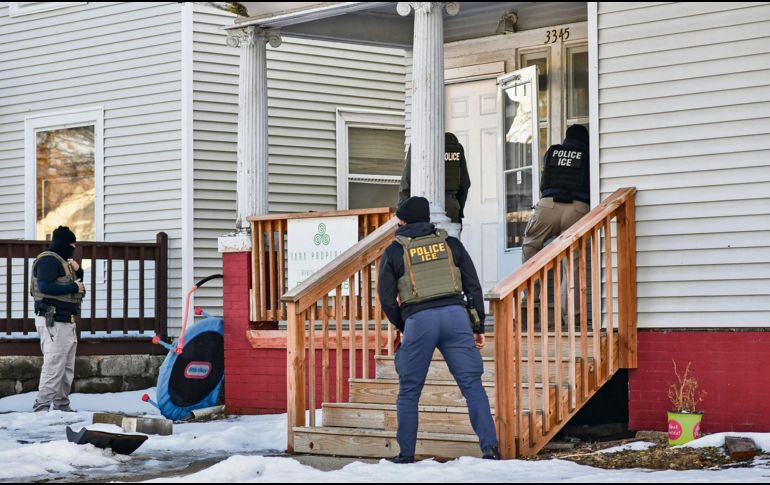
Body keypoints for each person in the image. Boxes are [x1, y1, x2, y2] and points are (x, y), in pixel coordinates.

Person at [377, 196, 500, 463]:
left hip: (419, 321)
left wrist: (402, 324)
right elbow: (473, 285)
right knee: (472, 386)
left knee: (409, 391)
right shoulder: (450, 243)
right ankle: (490, 449)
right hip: (456, 318)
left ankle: (406, 455)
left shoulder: (395, 251)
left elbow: (386, 298)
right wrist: (477, 324)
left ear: (403, 221)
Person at [31, 226, 85, 412]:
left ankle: (62, 406)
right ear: (63, 244)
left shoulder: (63, 262)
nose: (73, 249)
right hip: (53, 320)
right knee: (54, 365)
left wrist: (79, 273)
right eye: (71, 245)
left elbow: (77, 287)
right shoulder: (48, 260)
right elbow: (45, 287)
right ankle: (41, 407)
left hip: (67, 321)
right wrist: (73, 288)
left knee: (66, 367)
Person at [522, 124, 590, 262]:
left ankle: (533, 283)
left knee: (531, 244)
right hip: (578, 210)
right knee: (573, 256)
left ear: (567, 137)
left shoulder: (552, 152)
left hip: (549, 207)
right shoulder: (589, 154)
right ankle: (571, 284)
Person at [398, 132, 471, 225]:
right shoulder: (456, 147)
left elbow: (406, 182)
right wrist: (458, 208)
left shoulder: (418, 145)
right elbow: (465, 183)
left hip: (420, 207)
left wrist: (401, 210)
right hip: (451, 207)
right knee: (450, 239)